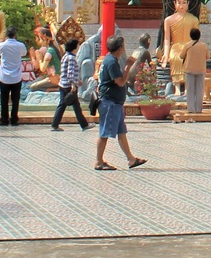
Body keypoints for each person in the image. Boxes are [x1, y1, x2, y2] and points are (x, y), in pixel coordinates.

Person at [94, 34, 146, 171]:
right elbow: (120, 81)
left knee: (121, 132)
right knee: (104, 133)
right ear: (119, 48)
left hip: (115, 103)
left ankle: (131, 159)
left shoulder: (111, 60)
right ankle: (99, 161)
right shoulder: (111, 62)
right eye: (123, 46)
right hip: (109, 103)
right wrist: (128, 66)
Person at [52, 37, 90, 131]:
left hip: (63, 84)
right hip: (69, 86)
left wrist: (77, 81)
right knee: (74, 106)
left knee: (66, 105)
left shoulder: (65, 56)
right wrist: (74, 84)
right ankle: (84, 125)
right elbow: (70, 73)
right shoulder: (72, 58)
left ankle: (55, 124)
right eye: (78, 45)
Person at [0, 33, 29, 127]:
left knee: (4, 100)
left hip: (4, 77)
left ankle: (4, 120)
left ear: (7, 35)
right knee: (15, 100)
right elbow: (24, 53)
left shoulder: (2, 45)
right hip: (16, 76)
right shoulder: (20, 45)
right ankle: (14, 119)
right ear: (15, 35)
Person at [180, 26, 209, 117]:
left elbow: (181, 56)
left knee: (190, 89)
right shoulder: (203, 45)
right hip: (200, 69)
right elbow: (208, 57)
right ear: (199, 36)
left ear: (190, 36)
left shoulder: (187, 45)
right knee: (200, 90)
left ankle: (191, 109)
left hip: (189, 69)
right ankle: (198, 109)